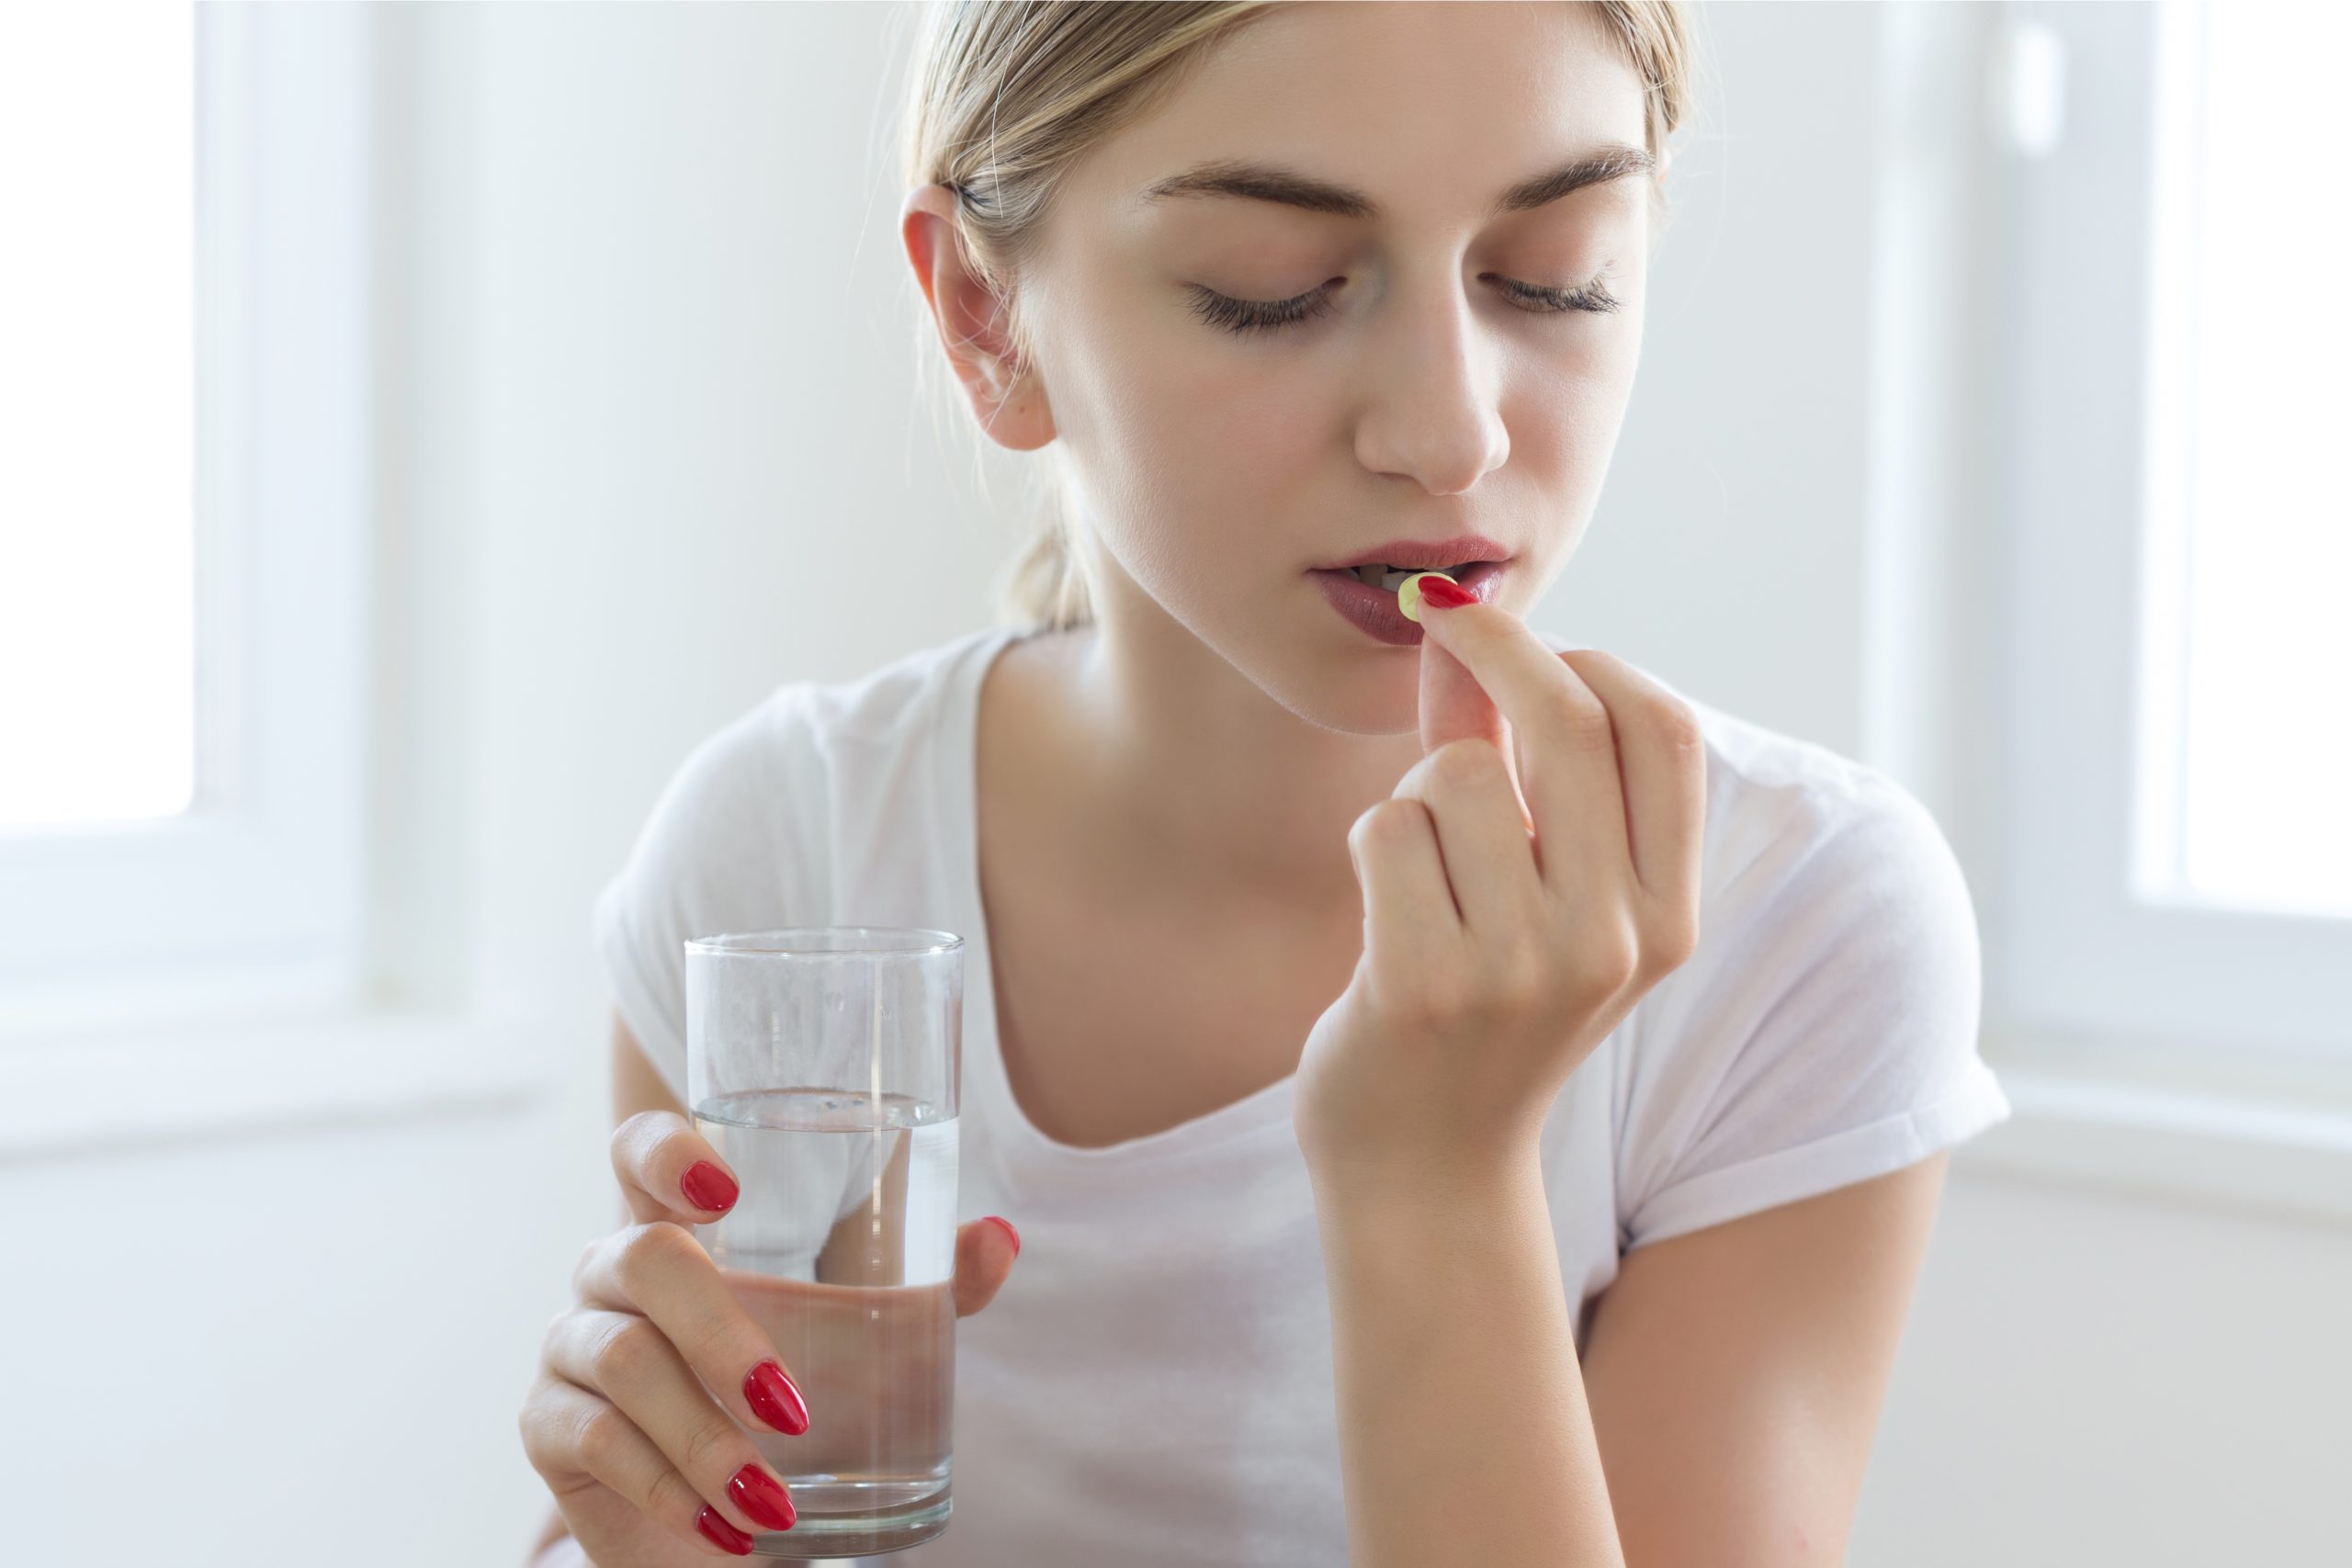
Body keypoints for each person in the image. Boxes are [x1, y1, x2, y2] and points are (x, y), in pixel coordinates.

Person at [517, 3, 2014, 1564]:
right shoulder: (792, 851)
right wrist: (639, 1533)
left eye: (1554, 273)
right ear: (984, 315)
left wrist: (1435, 1180)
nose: (1450, 433)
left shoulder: (1793, 920)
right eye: (1273, 295)